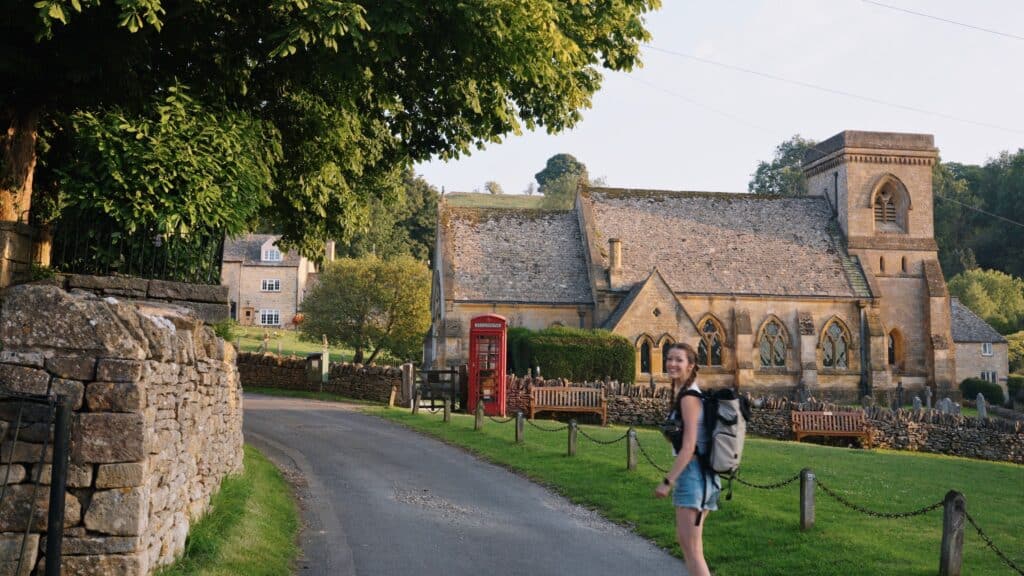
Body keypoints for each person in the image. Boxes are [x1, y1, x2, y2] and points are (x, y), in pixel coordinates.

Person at [654, 342, 720, 576]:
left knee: (693, 551)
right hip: (704, 478)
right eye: (669, 358)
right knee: (690, 547)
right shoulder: (687, 394)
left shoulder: (689, 397)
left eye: (678, 360)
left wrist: (667, 481)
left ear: (691, 365)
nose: (672, 363)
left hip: (694, 478)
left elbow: (690, 447)